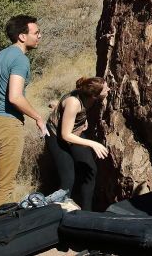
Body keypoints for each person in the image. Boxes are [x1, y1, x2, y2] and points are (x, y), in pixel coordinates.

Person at [0, 14, 46, 212]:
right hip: (6, 125)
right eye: (36, 33)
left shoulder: (1, 55)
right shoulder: (20, 59)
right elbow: (15, 97)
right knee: (5, 187)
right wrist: (38, 117)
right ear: (22, 36)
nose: (39, 36)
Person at [45, 76, 110, 211]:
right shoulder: (74, 102)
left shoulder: (89, 97)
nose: (109, 89)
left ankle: (87, 212)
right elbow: (65, 135)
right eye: (105, 88)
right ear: (94, 95)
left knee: (90, 170)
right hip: (56, 136)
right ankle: (60, 214)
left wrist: (81, 120)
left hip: (75, 133)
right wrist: (93, 144)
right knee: (68, 179)